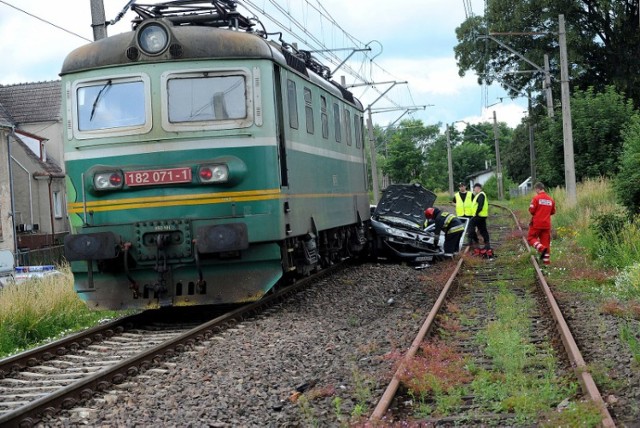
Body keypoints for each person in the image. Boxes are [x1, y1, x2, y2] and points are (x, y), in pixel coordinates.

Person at [528, 182, 556, 265]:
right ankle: (546, 262)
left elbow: (531, 210)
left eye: (535, 190)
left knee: (531, 238)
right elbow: (553, 211)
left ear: (537, 189)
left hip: (537, 223)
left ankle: (541, 248)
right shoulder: (551, 199)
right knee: (546, 243)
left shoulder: (536, 198)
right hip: (546, 224)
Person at [468, 183, 490, 249]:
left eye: (474, 188)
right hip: (481, 216)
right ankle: (487, 244)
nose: (474, 190)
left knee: (470, 227)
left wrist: (476, 213)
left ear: (478, 188)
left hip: (478, 215)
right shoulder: (480, 195)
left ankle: (474, 242)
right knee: (483, 230)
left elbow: (480, 206)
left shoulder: (481, 195)